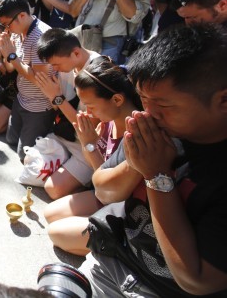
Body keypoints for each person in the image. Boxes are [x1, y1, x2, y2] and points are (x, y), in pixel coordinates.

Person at [78, 24, 227, 297]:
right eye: (144, 99)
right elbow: (103, 188)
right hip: (112, 259)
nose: (147, 113)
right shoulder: (154, 128)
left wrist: (157, 176)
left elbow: (197, 279)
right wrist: (135, 164)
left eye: (163, 104)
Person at [42, 59, 142, 256]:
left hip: (122, 208)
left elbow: (108, 188)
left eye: (90, 105)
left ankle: (118, 253)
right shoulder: (109, 121)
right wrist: (90, 143)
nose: (87, 112)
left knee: (56, 233)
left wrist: (89, 145)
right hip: (102, 196)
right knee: (50, 214)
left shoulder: (135, 134)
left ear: (117, 100)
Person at [35, 28, 101, 199]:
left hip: (87, 145)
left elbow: (88, 128)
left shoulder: (96, 75)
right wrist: (53, 96)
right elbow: (59, 109)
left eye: (56, 64)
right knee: (31, 163)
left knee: (53, 189)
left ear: (76, 53)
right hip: (66, 134)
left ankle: (89, 183)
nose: (54, 69)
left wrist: (57, 98)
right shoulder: (69, 67)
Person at [0, 0, 56, 160]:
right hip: (22, 98)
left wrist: (12, 56)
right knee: (10, 139)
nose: (6, 29)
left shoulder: (41, 37)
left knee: (24, 156)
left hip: (39, 104)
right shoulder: (18, 32)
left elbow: (39, 79)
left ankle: (49, 130)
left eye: (7, 24)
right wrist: (6, 53)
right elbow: (10, 67)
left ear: (21, 16)